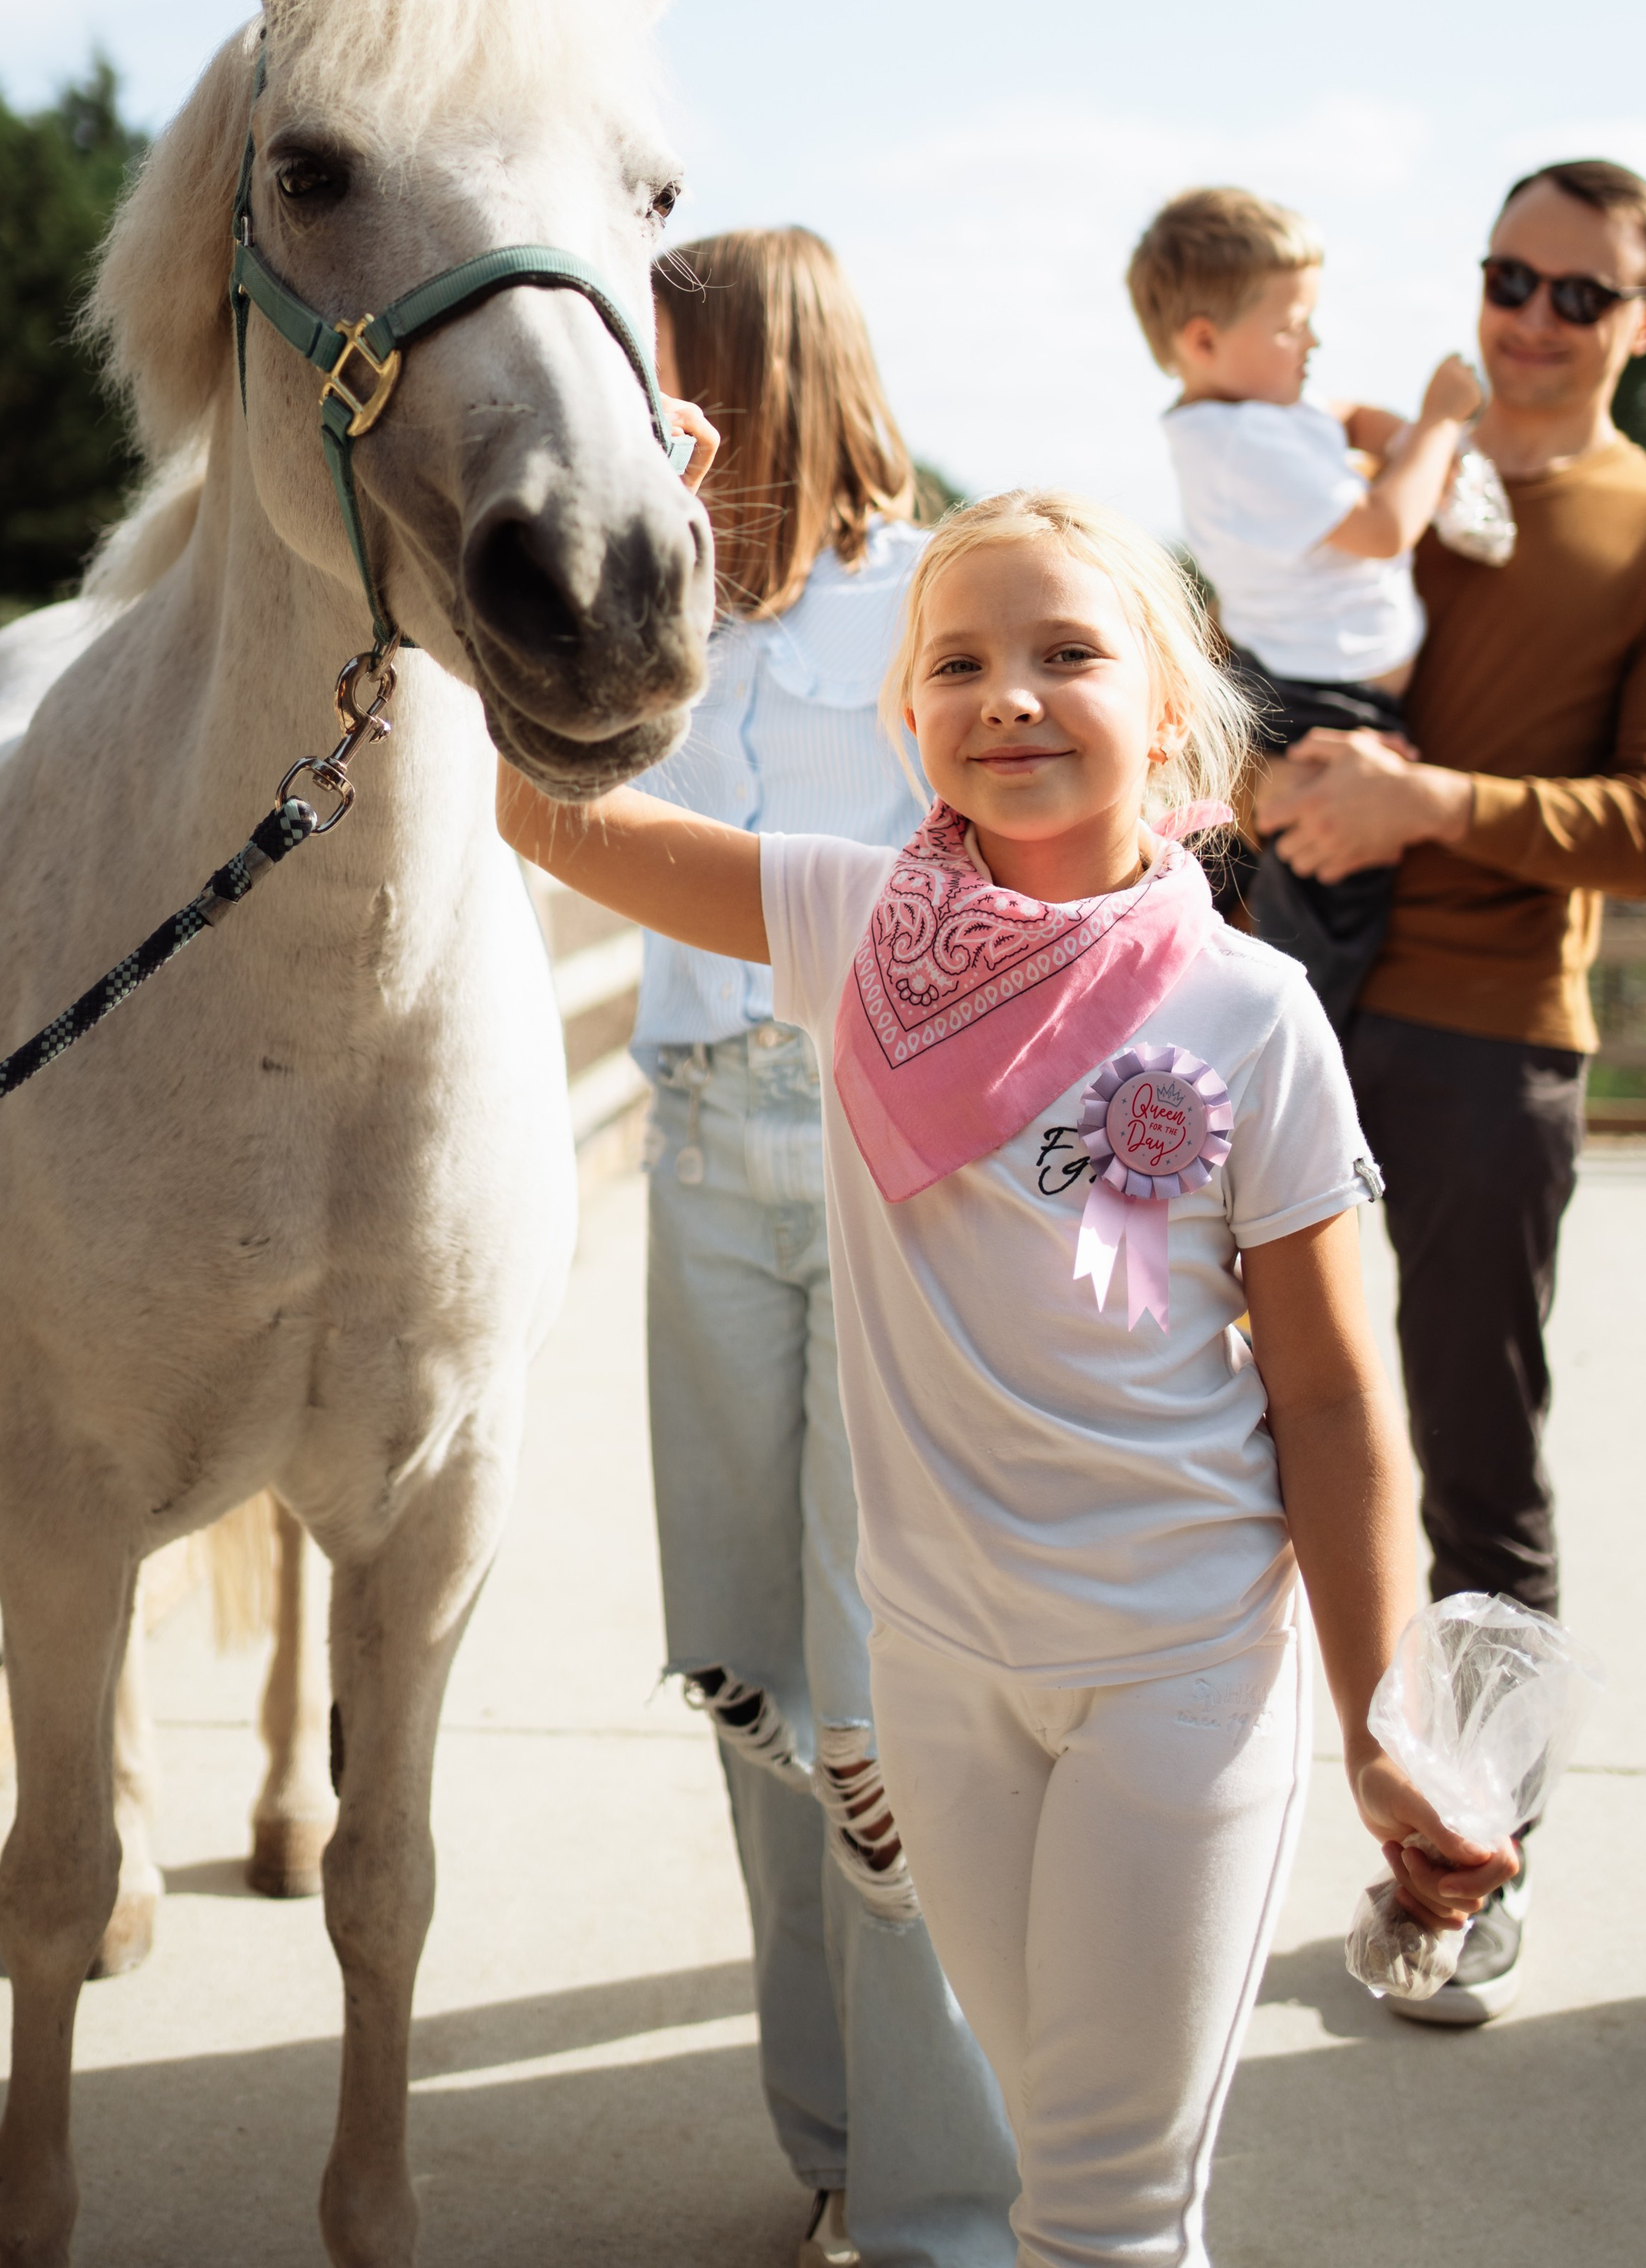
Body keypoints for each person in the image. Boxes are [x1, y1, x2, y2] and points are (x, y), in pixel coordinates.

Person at [505, 486, 1514, 2266]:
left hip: (1174, 1670)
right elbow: (546, 809)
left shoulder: (1245, 1010)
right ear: (903, 719)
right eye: (956, 661)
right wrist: (549, 542)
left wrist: (1380, 1721)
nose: (1008, 694)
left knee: (1106, 2212)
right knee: (1049, 2155)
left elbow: (1340, 1400)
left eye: (1067, 652)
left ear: (1171, 708)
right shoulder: (836, 923)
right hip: (936, 1669)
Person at [1259, 155, 1646, 2023]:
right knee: (1214, 1448)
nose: (1527, 318)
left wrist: (1424, 802)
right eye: (1502, 277)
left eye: (1573, 294)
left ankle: (1457, 1871)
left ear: (1641, 321)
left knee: (1473, 1468)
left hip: (1480, 1041)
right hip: (1283, 1018)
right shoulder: (1386, 480)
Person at [633, 228, 1018, 2268]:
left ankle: (951, 2212)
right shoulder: (649, 594)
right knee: (752, 1671)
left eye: (669, 362)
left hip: (886, 1161)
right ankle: (839, 2148)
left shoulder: (938, 603)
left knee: (889, 1702)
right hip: (701, 1153)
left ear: (759, 366)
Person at [1127, 185, 1483, 1029]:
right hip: (1318, 697)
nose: (1312, 342)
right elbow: (1385, 526)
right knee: (1326, 916)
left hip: (1291, 677)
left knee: (1253, 884)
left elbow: (1350, 414)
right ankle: (1276, 1057)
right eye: (1290, 326)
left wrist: (1395, 438)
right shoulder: (1243, 443)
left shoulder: (1260, 414)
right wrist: (1438, 424)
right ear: (1204, 341)